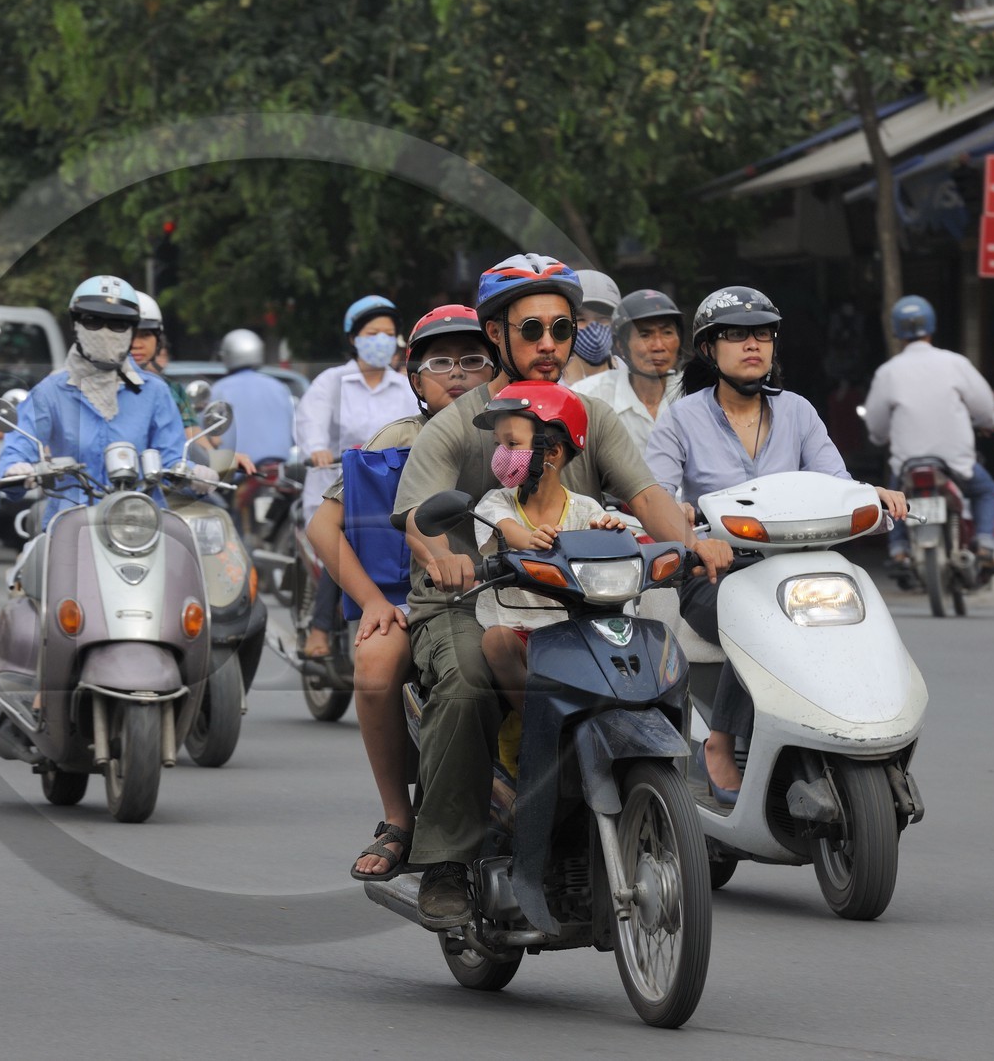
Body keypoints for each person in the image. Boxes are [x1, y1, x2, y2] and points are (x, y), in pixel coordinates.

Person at [391, 254, 731, 930]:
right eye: (531, 330)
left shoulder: (592, 418)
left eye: (561, 328)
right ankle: (449, 860)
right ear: (497, 336)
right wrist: (444, 558)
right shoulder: (459, 423)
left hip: (580, 599)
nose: (549, 345)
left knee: (650, 666)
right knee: (465, 680)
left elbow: (647, 497)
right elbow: (416, 519)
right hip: (471, 599)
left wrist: (692, 544)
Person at [645, 286, 906, 800]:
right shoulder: (680, 418)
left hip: (800, 570)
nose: (752, 345)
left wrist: (872, 495)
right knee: (758, 617)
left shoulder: (799, 412)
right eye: (736, 335)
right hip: (717, 575)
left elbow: (837, 483)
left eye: (762, 334)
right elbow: (655, 493)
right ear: (708, 349)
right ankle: (720, 741)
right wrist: (678, 516)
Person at [303, 305, 497, 880]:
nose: (457, 373)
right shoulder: (397, 439)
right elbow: (323, 527)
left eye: (472, 360)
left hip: (516, 594)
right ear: (415, 379)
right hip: (412, 599)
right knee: (374, 663)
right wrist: (372, 603)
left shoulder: (522, 429)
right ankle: (399, 819)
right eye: (440, 362)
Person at [472, 382, 624, 773]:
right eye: (499, 445)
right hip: (519, 631)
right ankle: (542, 719)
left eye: (511, 443)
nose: (501, 455)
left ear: (552, 451)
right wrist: (530, 539)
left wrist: (610, 531)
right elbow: (506, 530)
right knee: (497, 642)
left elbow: (614, 538)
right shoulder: (496, 502)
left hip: (570, 635)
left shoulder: (586, 509)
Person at [0, 275, 188, 528]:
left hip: (140, 526)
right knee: (38, 564)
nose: (105, 332)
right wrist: (16, 469)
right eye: (93, 321)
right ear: (75, 325)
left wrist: (192, 473)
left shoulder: (155, 392)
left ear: (131, 330)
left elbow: (173, 456)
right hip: (69, 525)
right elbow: (21, 443)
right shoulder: (50, 392)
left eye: (118, 324)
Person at [294, 295, 419, 661]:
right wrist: (317, 448)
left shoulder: (405, 387)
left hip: (394, 496)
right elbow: (309, 423)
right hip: (335, 496)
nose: (381, 339)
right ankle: (320, 626)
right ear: (353, 338)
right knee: (350, 539)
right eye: (371, 332)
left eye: (388, 333)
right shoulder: (331, 383)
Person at [862, 295, 994, 581]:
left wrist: (879, 437)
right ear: (932, 327)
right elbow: (985, 408)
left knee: (893, 498)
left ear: (897, 332)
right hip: (955, 463)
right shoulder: (955, 363)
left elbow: (876, 425)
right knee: (985, 490)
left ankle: (899, 551)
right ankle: (986, 548)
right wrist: (992, 422)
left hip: (908, 465)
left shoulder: (887, 372)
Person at [572, 288, 685, 454]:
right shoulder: (587, 397)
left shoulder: (697, 393)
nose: (659, 346)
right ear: (620, 346)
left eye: (667, 333)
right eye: (644, 335)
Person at [212, 329, 295, 468]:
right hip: (279, 470)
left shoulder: (219, 389)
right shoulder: (278, 387)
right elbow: (293, 433)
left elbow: (207, 437)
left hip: (239, 471)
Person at [130, 290, 200, 437]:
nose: (136, 344)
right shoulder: (89, 386)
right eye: (129, 335)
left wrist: (218, 457)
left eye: (145, 335)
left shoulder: (170, 389)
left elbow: (192, 437)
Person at [559, 269, 620, 386]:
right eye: (581, 319)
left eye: (603, 318)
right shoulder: (554, 388)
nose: (594, 329)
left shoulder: (637, 379)